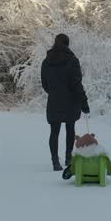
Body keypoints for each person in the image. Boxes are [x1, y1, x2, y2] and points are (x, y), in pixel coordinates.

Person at [40, 33, 90, 173]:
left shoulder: (46, 61)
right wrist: (84, 102)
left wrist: (55, 92)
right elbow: (76, 83)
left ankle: (55, 161)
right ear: (67, 44)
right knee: (70, 129)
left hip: (54, 100)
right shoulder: (72, 60)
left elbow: (44, 84)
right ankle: (68, 158)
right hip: (71, 101)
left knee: (54, 131)